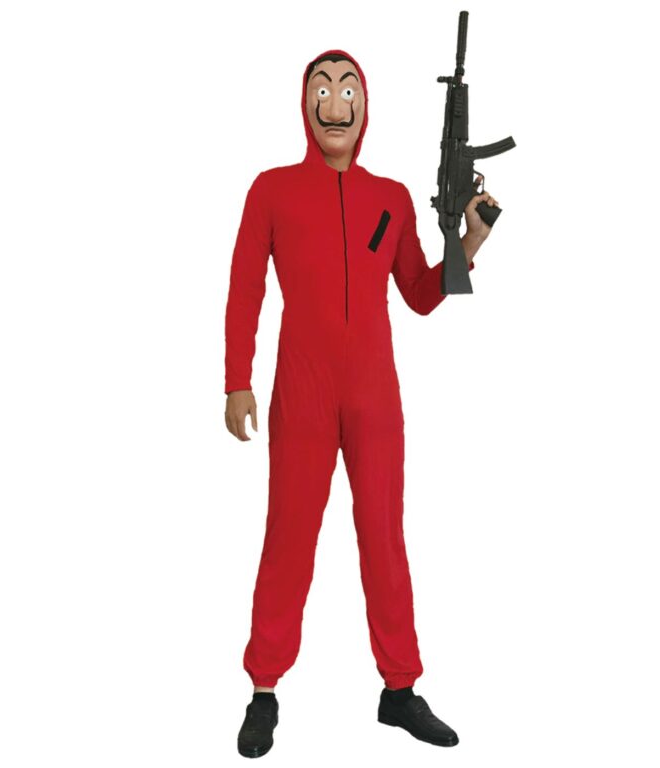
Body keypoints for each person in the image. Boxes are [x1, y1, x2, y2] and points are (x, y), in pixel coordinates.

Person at [225, 48, 499, 758]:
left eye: (348, 89)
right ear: (304, 104)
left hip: (375, 396)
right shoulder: (271, 191)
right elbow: (245, 288)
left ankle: (399, 691)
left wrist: (469, 242)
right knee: (289, 539)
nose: (335, 101)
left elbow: (419, 294)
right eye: (322, 89)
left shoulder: (392, 198)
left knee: (384, 538)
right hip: (302, 393)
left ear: (365, 106)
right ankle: (264, 690)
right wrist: (236, 380)